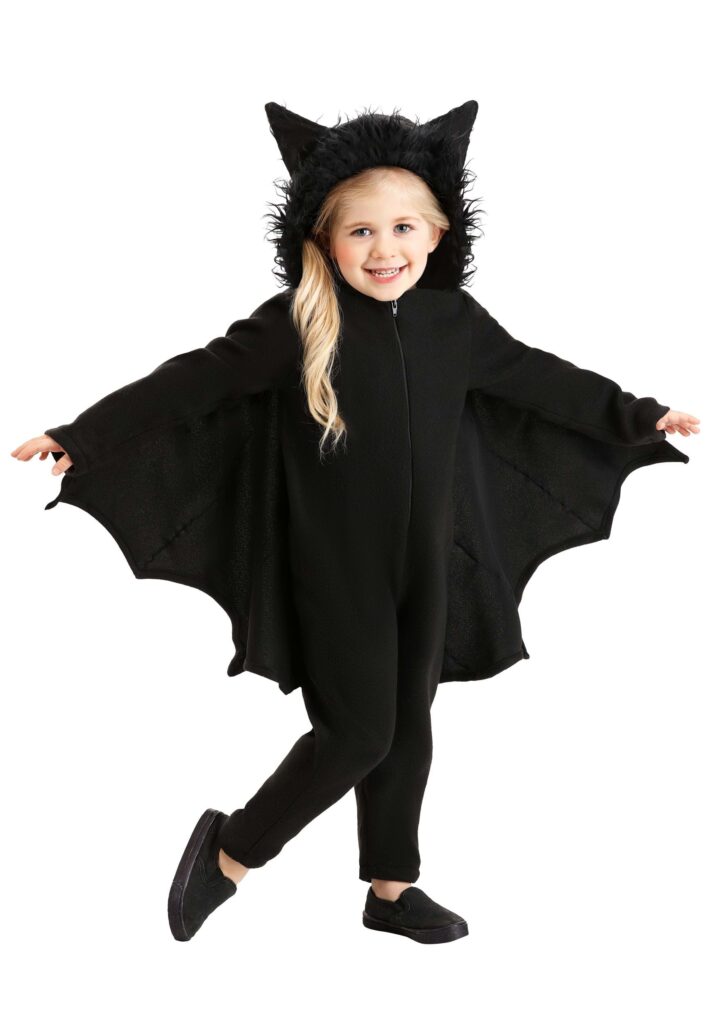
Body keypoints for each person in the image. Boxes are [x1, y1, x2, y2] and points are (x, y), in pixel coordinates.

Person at [11, 101, 699, 946]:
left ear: (437, 232)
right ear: (323, 240)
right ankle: (231, 849)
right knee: (357, 734)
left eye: (403, 227)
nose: (384, 250)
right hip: (333, 571)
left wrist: (637, 416)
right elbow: (188, 384)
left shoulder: (454, 324)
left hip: (427, 564)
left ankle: (391, 889)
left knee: (408, 728)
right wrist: (84, 436)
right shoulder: (297, 324)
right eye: (360, 231)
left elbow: (541, 381)